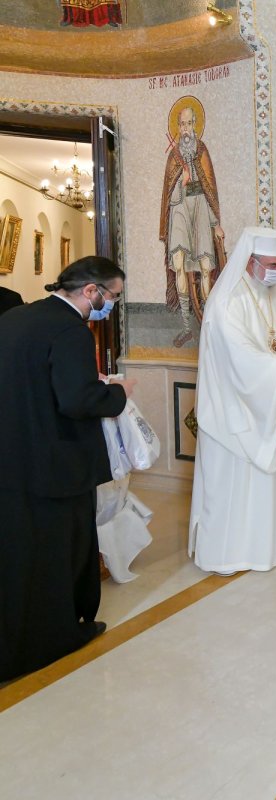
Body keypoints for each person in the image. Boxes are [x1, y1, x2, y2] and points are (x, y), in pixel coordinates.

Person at [0, 256, 133, 681]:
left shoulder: (16, 317)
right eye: (113, 297)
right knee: (63, 552)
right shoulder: (71, 330)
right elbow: (78, 400)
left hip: (12, 457)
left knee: (19, 553)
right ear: (91, 291)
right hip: (57, 463)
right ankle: (58, 636)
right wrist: (118, 393)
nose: (111, 305)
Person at [188, 227, 276, 574]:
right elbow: (238, 357)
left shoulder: (273, 292)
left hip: (272, 402)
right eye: (272, 264)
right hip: (236, 408)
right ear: (250, 261)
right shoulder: (227, 301)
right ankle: (236, 552)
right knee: (238, 484)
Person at [161, 99, 225, 348]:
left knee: (206, 267)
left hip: (200, 213)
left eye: (189, 123)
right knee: (179, 265)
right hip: (179, 213)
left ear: (195, 125)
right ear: (177, 127)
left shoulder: (202, 151)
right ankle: (187, 327)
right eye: (182, 124)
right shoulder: (174, 157)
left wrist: (215, 222)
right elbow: (169, 198)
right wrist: (182, 182)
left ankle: (207, 323)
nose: (186, 129)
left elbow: (210, 191)